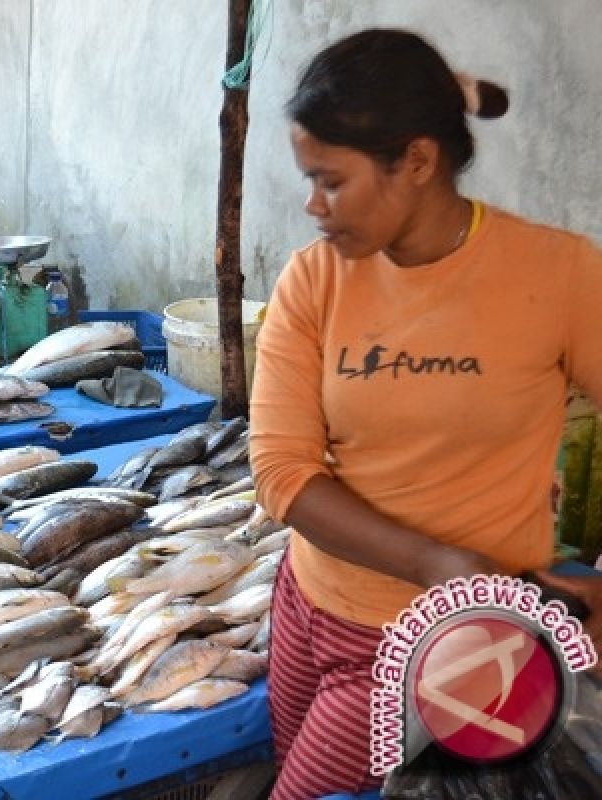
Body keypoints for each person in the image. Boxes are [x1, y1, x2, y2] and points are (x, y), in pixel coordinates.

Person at [249, 28, 602, 799]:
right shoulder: (314, 280)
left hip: (446, 644)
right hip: (307, 603)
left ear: (415, 161)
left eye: (331, 182)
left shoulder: (561, 273)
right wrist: (440, 564)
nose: (312, 205)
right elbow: (281, 471)